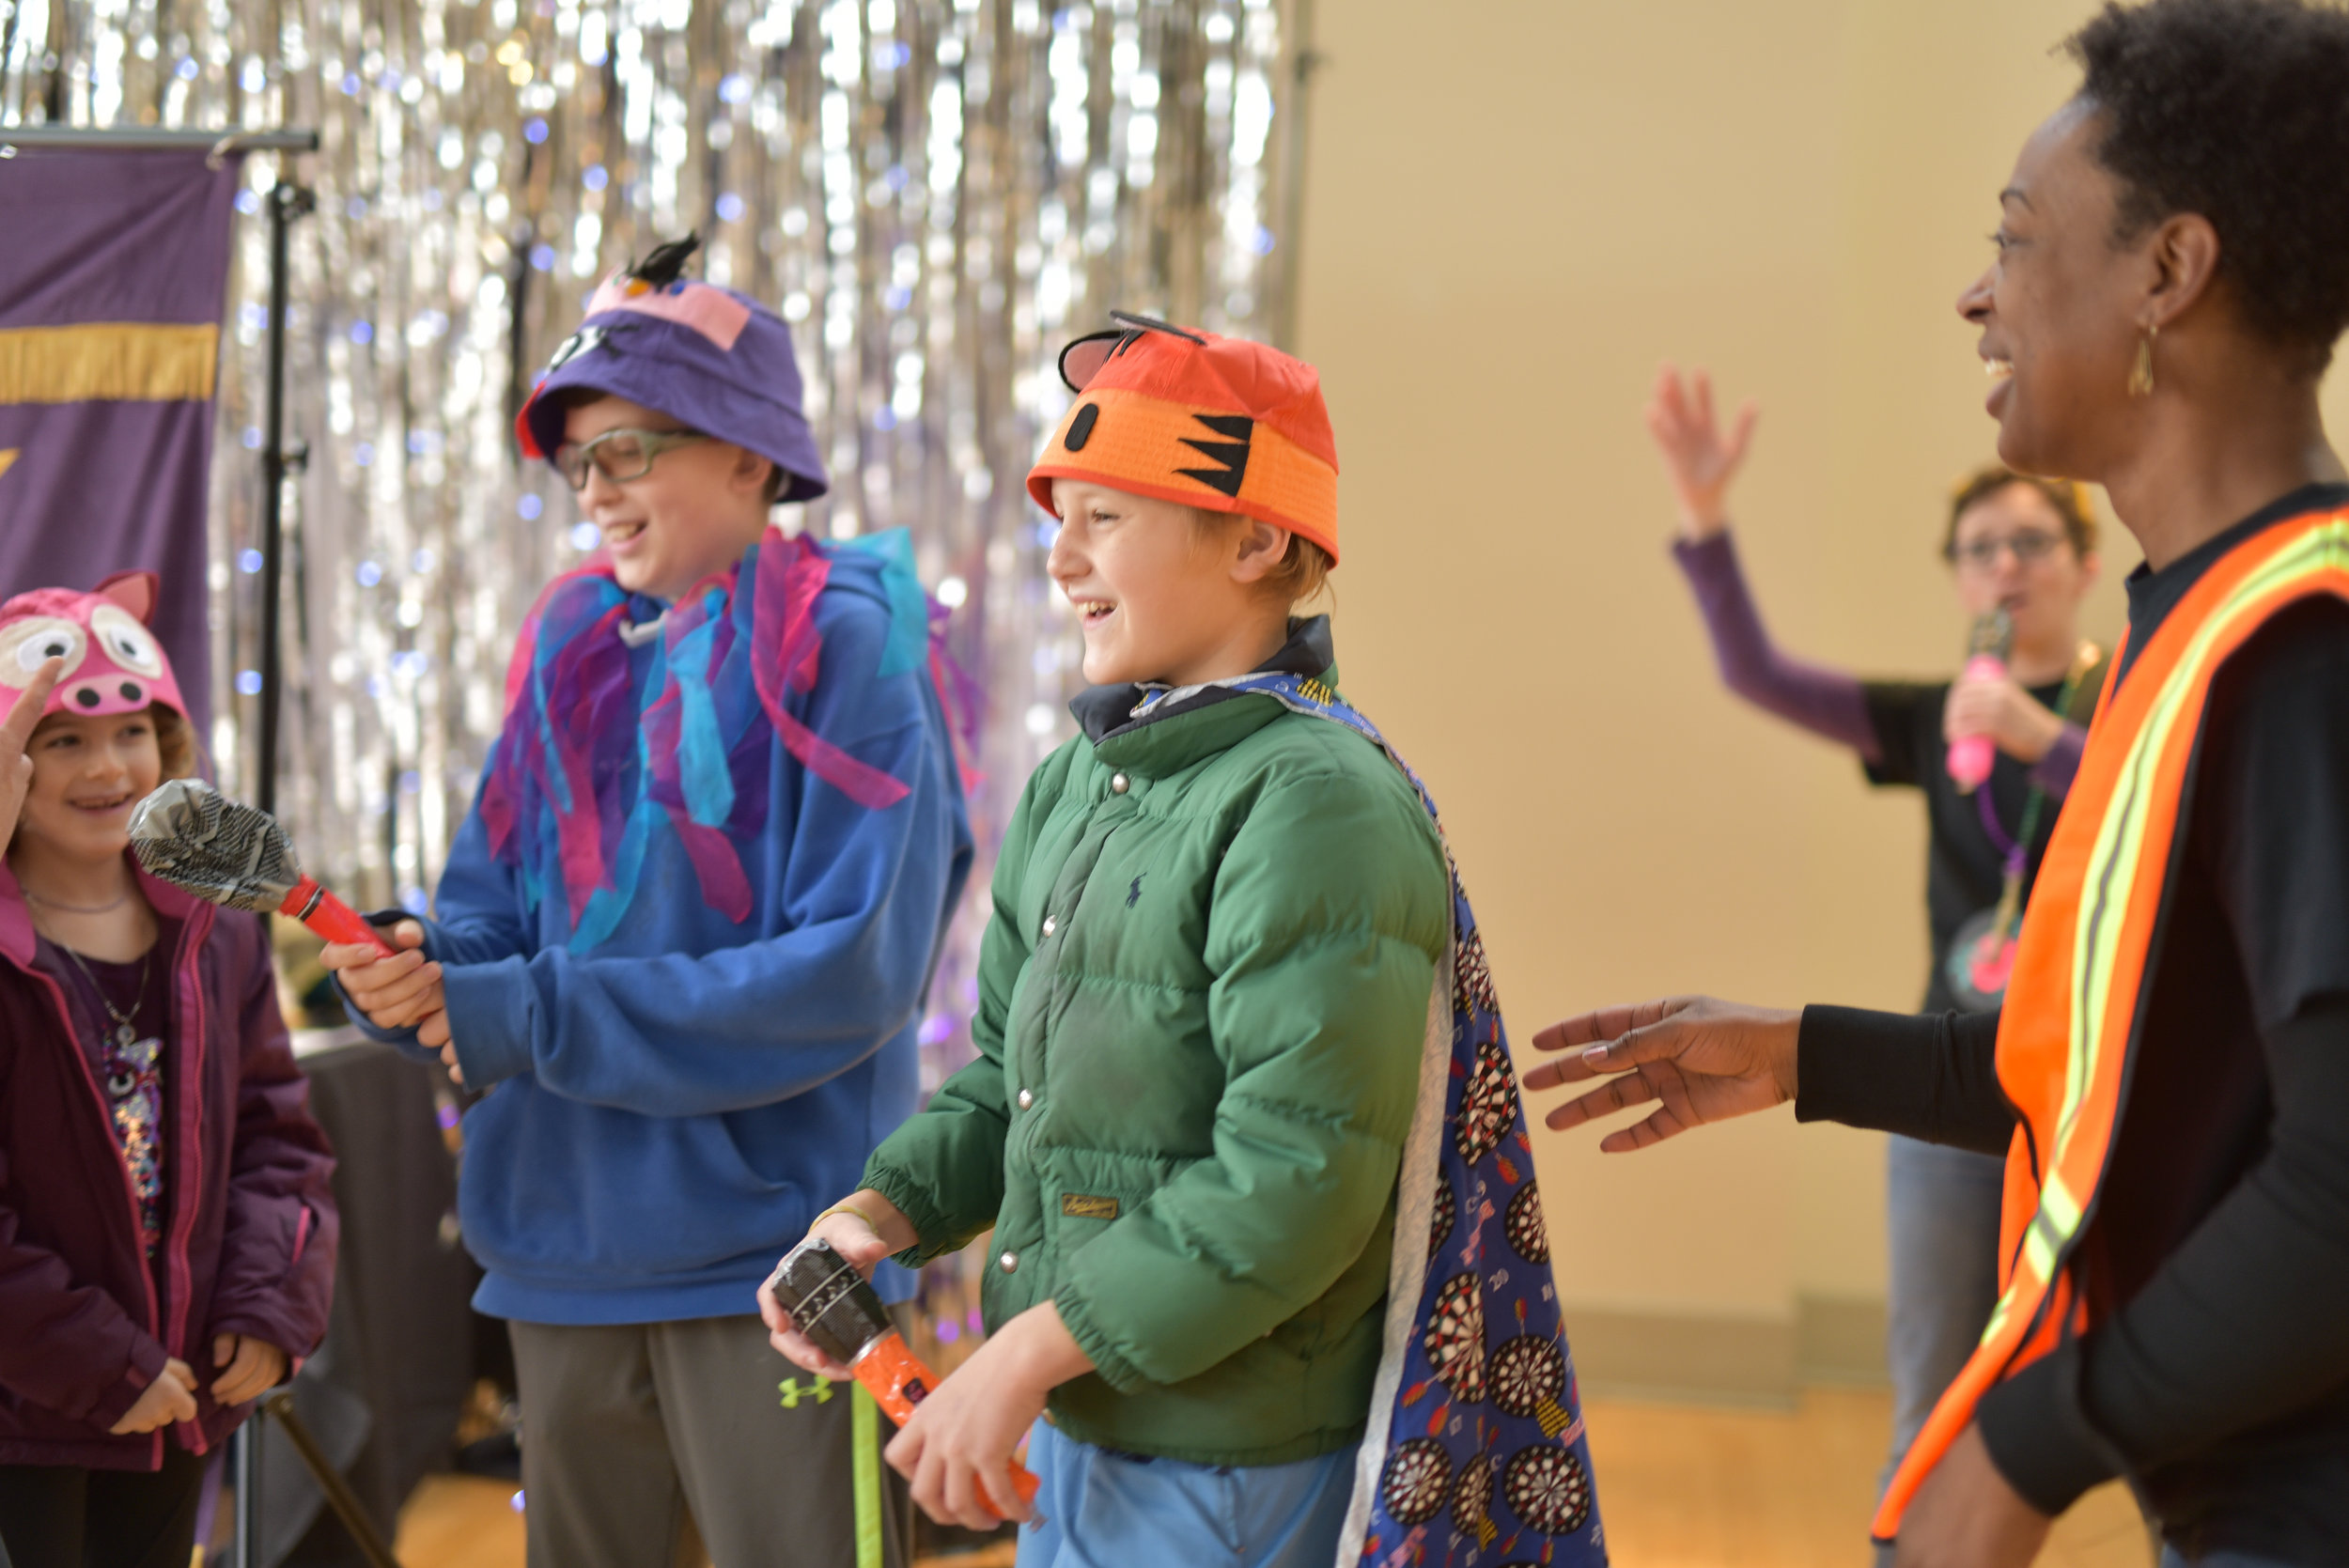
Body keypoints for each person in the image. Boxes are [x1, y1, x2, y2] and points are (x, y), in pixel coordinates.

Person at [1531, 2, 2349, 1565]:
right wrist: (1800, 1052)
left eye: (2019, 240)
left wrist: (2023, 1444)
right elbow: (2136, 1080)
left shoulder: (2302, 655)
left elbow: (2336, 1181)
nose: (1977, 294)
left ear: (2168, 274)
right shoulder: (2187, 627)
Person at [767, 318, 1603, 1568]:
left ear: (1258, 537)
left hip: (1229, 1458)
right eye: (1061, 516)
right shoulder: (1075, 788)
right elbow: (1009, 1083)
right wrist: (879, 1215)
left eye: (1104, 517)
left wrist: (1029, 1349)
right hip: (1086, 1415)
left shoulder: (1317, 800)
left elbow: (1296, 1177)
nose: (1060, 560)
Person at [323, 239, 974, 1568]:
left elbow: (853, 971)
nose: (595, 493)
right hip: (561, 1256)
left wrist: (517, 1007)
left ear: (749, 455)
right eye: (579, 463)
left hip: (777, 1270)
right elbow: (489, 921)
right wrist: (417, 978)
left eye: (627, 450)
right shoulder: (570, 648)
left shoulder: (853, 645)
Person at [1647, 375, 2108, 1551]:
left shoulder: (2131, 701)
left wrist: (2048, 743)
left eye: (2030, 542)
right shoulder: (1940, 715)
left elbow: (2178, 806)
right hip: (1954, 1085)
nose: (2004, 567)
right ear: (1958, 576)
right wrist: (1705, 515)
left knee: (2131, 1406)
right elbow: (1759, 674)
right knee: (1934, 1401)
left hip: (2108, 1091)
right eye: (1979, 548)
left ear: (2083, 562)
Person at [0, 573, 338, 1567]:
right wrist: (102, 1364)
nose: (107, 765)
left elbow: (279, 1136)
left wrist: (268, 1304)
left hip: (177, 1401)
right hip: (30, 1408)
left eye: (131, 732)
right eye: (63, 738)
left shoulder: (213, 933)